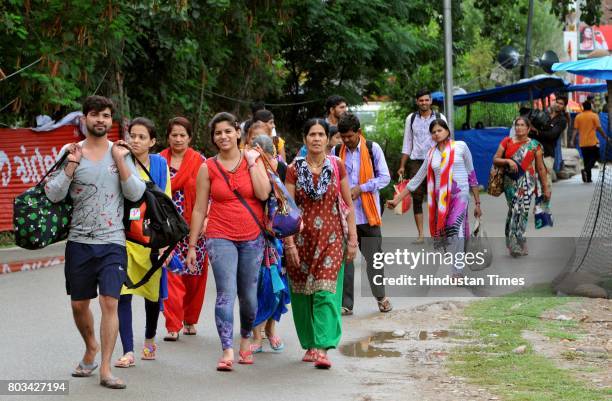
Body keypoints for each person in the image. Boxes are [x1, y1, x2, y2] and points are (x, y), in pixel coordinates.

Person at [44, 95, 146, 389]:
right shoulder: (70, 151)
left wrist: (120, 162)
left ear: (111, 121)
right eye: (94, 115)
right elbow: (53, 194)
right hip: (79, 241)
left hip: (113, 241)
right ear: (84, 119)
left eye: (105, 115)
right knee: (79, 305)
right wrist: (71, 166)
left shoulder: (122, 152)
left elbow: (136, 193)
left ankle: (105, 369)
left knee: (109, 302)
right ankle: (91, 347)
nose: (100, 120)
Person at [186, 112, 271, 371]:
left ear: (237, 133)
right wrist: (191, 246)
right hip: (219, 235)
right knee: (225, 292)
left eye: (227, 131)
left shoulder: (253, 159)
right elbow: (200, 209)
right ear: (213, 138)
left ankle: (245, 340)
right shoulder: (207, 167)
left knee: (248, 295)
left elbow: (263, 193)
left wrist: (254, 162)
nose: (223, 136)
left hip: (252, 236)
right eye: (217, 133)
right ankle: (227, 349)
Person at [284, 118, 358, 369]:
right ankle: (310, 343)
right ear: (305, 138)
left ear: (328, 139)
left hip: (332, 237)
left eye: (321, 134)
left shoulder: (338, 166)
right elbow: (287, 209)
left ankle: (323, 347)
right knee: (303, 294)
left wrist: (353, 239)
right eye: (312, 134)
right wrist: (290, 244)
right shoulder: (294, 169)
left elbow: (348, 206)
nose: (316, 138)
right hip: (302, 240)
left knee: (325, 292)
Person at [388, 119, 481, 279]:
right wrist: (397, 200)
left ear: (447, 131)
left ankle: (457, 272)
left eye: (439, 130)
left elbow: (471, 174)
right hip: (441, 201)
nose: (436, 134)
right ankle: (457, 262)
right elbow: (416, 180)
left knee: (454, 227)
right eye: (433, 132)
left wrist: (478, 203)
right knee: (448, 234)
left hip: (461, 195)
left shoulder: (461, 147)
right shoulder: (431, 154)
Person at [114, 117, 172, 368]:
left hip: (151, 240)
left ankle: (149, 337)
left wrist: (165, 244)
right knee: (122, 294)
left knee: (151, 295)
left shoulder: (160, 165)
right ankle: (128, 350)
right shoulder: (119, 161)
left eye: (141, 137)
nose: (135, 141)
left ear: (152, 141)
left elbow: (166, 203)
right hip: (123, 238)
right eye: (132, 136)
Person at [333, 112, 392, 315]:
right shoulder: (335, 151)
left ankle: (381, 297)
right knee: (346, 261)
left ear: (359, 132)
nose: (346, 140)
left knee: (374, 259)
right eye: (343, 136)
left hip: (368, 215)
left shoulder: (372, 148)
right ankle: (346, 304)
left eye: (350, 136)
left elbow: (385, 178)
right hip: (344, 216)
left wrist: (362, 188)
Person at [159, 117, 207, 340]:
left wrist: (207, 217)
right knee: (171, 273)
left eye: (182, 135)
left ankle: (190, 318)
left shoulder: (201, 162)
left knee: (194, 275)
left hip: (194, 226)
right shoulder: (158, 161)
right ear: (167, 137)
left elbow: (211, 192)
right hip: (166, 227)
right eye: (174, 135)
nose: (178, 139)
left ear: (189, 137)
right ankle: (173, 324)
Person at [248, 135, 290, 354]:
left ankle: (271, 331)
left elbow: (291, 202)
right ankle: (257, 335)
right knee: (256, 286)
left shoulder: (282, 170)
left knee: (278, 286)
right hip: (253, 235)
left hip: (279, 238)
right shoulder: (247, 169)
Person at [493, 116, 550, 257]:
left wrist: (545, 188)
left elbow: (541, 168)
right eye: (516, 125)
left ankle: (521, 240)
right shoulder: (507, 142)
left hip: (528, 182)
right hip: (510, 182)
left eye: (522, 125)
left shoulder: (535, 145)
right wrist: (507, 161)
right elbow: (495, 159)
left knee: (523, 212)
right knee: (515, 209)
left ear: (528, 128)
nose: (519, 127)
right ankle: (513, 244)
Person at [398, 88, 446, 244]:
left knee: (438, 196)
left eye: (426, 100)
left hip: (436, 160)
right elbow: (407, 142)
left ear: (431, 101)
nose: (424, 103)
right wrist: (402, 166)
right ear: (417, 102)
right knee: (417, 198)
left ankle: (439, 232)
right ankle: (420, 234)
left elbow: (445, 139)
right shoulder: (411, 119)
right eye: (421, 100)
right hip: (417, 162)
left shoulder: (440, 117)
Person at [571, 101, 609, 183]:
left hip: (582, 142)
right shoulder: (594, 116)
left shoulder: (578, 116)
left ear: (583, 107)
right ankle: (586, 170)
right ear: (590, 107)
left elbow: (575, 130)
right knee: (596, 156)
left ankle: (588, 178)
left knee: (586, 160)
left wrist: (572, 140)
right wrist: (605, 136)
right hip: (592, 142)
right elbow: (599, 128)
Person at [530, 103, 566, 188]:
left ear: (564, 106)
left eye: (561, 103)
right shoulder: (544, 116)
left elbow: (552, 135)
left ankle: (546, 200)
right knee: (534, 181)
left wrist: (537, 132)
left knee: (545, 179)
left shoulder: (561, 120)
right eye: (557, 102)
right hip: (534, 152)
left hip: (547, 152)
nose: (558, 104)